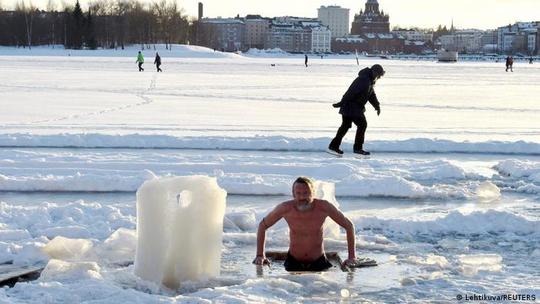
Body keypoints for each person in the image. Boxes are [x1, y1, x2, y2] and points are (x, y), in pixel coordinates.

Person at [253, 177, 358, 271]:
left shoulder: (324, 207)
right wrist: (260, 254)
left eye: (306, 193)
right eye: (298, 193)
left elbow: (349, 226)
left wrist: (352, 257)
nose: (302, 197)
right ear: (293, 194)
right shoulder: (285, 208)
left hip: (318, 261)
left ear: (313, 192)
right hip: (293, 261)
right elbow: (263, 226)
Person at [328, 64, 384, 156]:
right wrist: (341, 102)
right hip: (352, 106)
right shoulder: (364, 80)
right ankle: (358, 148)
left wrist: (376, 105)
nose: (378, 77)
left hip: (352, 107)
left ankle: (334, 146)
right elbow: (351, 92)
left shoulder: (369, 80)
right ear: (374, 72)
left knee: (345, 126)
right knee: (362, 125)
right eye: (378, 75)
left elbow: (371, 95)